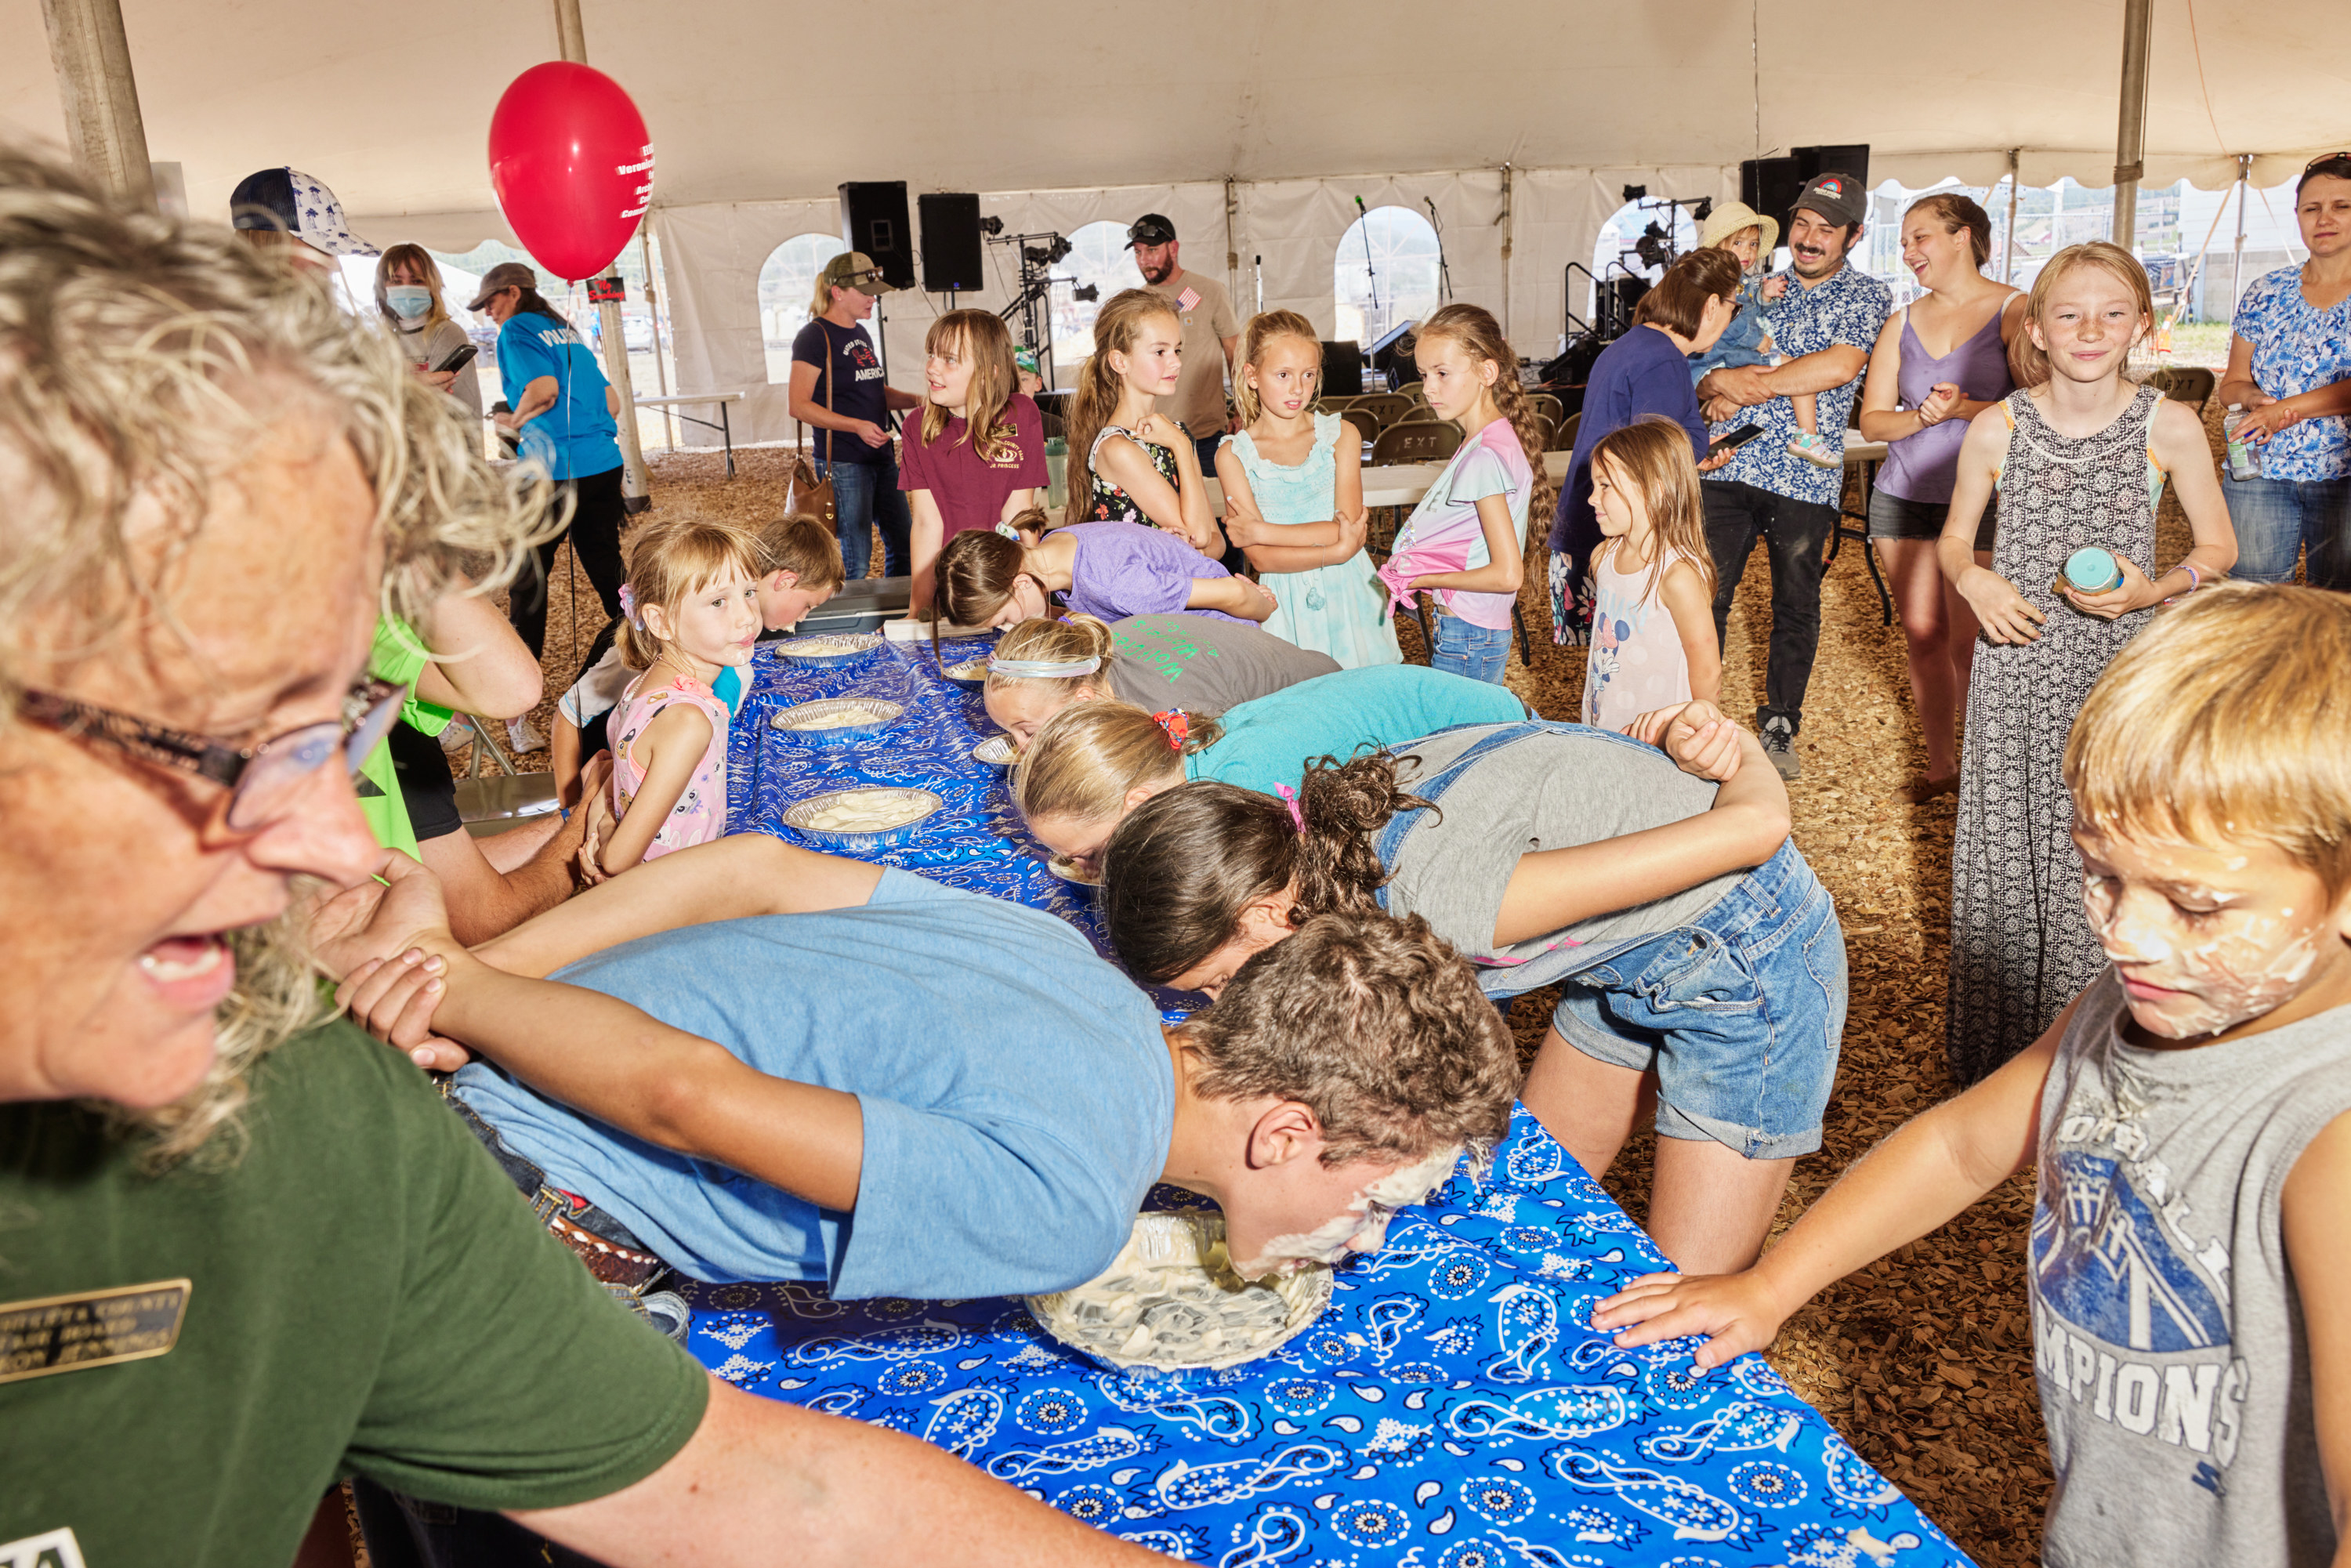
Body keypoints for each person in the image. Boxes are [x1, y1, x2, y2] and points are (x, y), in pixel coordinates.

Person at [0, 144, 1150, 1568]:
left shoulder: (291, 1107)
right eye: (229, 750)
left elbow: (748, 1493)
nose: (324, 845)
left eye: (335, 734)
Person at [1592, 585, 2351, 1568]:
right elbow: (1959, 1145)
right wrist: (1773, 1285)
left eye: (2197, 906)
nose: (2126, 934)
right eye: (2105, 875)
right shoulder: (2121, 1008)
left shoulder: (2328, 1141)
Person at [321, 838, 1520, 1298]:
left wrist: (473, 977)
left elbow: (751, 867)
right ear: (1288, 1135)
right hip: (498, 1198)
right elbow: (691, 1098)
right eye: (1378, 1199)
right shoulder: (1068, 1209)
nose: (1364, 1236)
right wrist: (458, 989)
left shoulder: (1071, 957)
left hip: (506, 1078)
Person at [1096, 701, 1835, 1273]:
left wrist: (1729, 742)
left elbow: (1758, 826)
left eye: (1220, 979)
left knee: (1684, 1299)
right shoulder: (1314, 849)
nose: (1226, 1005)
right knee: (1520, 1199)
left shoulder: (1443, 894)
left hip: (1750, 960)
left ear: (1262, 911)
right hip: (1625, 958)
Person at [1938, 240, 2235, 1085]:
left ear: (2143, 324)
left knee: (2103, 850)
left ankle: (2101, 1049)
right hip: (2015, 666)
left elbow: (2219, 545)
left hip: (2117, 678)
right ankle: (2000, 1064)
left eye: (2112, 312)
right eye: (2068, 313)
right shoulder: (1997, 426)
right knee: (2007, 847)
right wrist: (1975, 582)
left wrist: (2156, 591)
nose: (2090, 329)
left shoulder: (2167, 424)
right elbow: (1957, 541)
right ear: (2036, 326)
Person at [1697, 172, 1893, 778]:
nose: (1809, 239)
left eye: (1826, 230)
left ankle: (1781, 720)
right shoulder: (1751, 284)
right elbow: (1702, 357)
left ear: (1853, 237)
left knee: (1795, 604)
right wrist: (1712, 383)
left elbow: (1838, 367)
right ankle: (1696, 715)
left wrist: (1744, 386)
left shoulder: (1868, 297)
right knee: (1706, 596)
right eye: (1802, 225)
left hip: (1804, 478)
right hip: (1727, 464)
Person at [1009, 664, 1528, 878]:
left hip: (1496, 748)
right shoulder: (1192, 765)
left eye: (1095, 856)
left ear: (1139, 803)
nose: (1094, 870)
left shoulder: (1243, 786)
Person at [1855, 193, 2027, 804]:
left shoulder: (2014, 309)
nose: (1908, 252)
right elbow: (1874, 422)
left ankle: (1988, 772)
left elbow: (2038, 406)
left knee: (1968, 639)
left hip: (1978, 501)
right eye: (1904, 242)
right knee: (1922, 631)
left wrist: (1963, 408)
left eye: (1920, 237)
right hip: (1901, 495)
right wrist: (1922, 419)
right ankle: (1941, 768)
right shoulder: (1900, 322)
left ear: (1963, 238)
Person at [552, 513, 841, 809]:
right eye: (807, 605)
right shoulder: (655, 641)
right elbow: (568, 714)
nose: (804, 618)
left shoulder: (731, 643)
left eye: (749, 593)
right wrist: (570, 808)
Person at [1547, 246, 1744, 644]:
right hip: (1616, 542)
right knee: (1632, 666)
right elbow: (1651, 463)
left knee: (1609, 670)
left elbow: (1642, 447)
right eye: (1733, 309)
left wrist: (1694, 456)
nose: (1730, 319)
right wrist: (1691, 453)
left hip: (1588, 527)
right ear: (1710, 306)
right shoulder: (1665, 362)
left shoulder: (1634, 345)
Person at [469, 259, 628, 748]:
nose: (490, 313)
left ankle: (518, 716)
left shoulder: (516, 330)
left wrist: (512, 424)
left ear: (513, 294)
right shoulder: (567, 330)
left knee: (529, 583)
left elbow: (543, 390)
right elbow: (613, 401)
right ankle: (650, 663)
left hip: (554, 471)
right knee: (609, 573)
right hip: (603, 462)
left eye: (491, 302)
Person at [1378, 304, 1552, 684]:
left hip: (1468, 632)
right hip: (1476, 629)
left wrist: (1422, 577)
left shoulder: (1483, 457)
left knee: (1460, 739)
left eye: (1442, 373)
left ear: (1486, 372)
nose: (1428, 388)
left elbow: (1507, 574)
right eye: (1424, 374)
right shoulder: (1495, 439)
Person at [1218, 310, 1400, 668]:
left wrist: (1263, 531)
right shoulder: (1233, 455)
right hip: (1283, 602)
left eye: (1308, 374)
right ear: (1252, 376)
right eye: (1283, 375)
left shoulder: (1341, 435)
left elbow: (1344, 527)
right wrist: (1336, 551)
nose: (1298, 388)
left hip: (1350, 593)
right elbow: (1262, 558)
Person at [2215, 151, 2351, 592]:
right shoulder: (2266, 291)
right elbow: (2231, 383)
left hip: (2343, 474)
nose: (2324, 218)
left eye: (2341, 206)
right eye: (2312, 208)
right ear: (2298, 216)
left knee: (2339, 605)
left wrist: (2285, 411)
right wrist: (2253, 400)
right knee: (2250, 601)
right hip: (2259, 472)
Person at [601, 519, 763, 874]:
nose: (747, 617)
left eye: (749, 593)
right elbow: (616, 861)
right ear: (661, 622)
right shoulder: (687, 722)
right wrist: (604, 834)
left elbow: (605, 773)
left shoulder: (641, 686)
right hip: (675, 896)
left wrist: (602, 822)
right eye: (719, 601)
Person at [981, 612, 1339, 748]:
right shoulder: (1092, 647)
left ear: (1084, 701)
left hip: (1331, 710)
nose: (1021, 748)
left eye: (1027, 731)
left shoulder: (1166, 713)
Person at [1581, 418, 1722, 732]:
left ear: (1653, 488)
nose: (1592, 498)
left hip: (1661, 736)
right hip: (1605, 722)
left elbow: (1707, 670)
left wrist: (1702, 733)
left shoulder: (1678, 576)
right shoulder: (1603, 558)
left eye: (1605, 486)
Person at [789, 251, 924, 580]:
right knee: (857, 559)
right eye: (865, 293)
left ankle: (895, 616)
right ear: (838, 292)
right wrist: (857, 426)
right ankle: (852, 627)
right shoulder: (813, 337)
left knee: (905, 544)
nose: (873, 299)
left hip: (880, 457)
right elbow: (798, 404)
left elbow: (874, 391)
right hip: (845, 463)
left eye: (874, 292)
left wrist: (919, 400)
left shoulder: (860, 334)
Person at [901, 310, 1046, 612]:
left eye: (949, 359)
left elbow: (1020, 512)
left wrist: (1035, 593)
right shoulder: (917, 426)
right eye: (931, 355)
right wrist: (917, 610)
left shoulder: (1022, 413)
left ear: (990, 370)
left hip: (1006, 587)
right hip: (952, 593)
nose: (931, 368)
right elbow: (928, 523)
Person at [1063, 288, 1223, 552]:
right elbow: (1200, 536)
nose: (1176, 363)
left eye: (1177, 350)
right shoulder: (1118, 449)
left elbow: (1216, 544)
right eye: (1160, 352)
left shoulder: (1175, 433)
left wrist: (1197, 544)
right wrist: (1181, 448)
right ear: (1120, 362)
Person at [934, 510, 1273, 630]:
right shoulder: (1056, 547)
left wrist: (1265, 605)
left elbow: (1234, 593)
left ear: (1021, 582)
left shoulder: (1116, 585)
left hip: (1227, 642)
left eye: (1003, 620)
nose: (1010, 628)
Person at [1685, 202, 1831, 465]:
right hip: (1733, 352)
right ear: (1717, 245)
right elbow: (1731, 321)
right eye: (1738, 243)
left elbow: (1751, 308)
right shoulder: (1722, 281)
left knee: (1798, 371)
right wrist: (1759, 340)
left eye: (1753, 244)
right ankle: (1808, 437)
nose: (1748, 251)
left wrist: (1765, 296)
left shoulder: (1738, 279)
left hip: (1728, 355)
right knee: (1802, 372)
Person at [1127, 212, 1241, 474]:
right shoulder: (1139, 304)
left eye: (1152, 250)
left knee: (1215, 512)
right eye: (1138, 253)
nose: (1144, 261)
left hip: (1206, 436)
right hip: (1154, 436)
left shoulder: (1209, 291)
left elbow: (1235, 352)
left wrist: (1242, 410)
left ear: (1174, 248)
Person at [375, 242, 483, 424]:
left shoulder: (447, 333)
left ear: (432, 286)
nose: (406, 288)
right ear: (383, 286)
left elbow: (455, 408)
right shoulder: (382, 340)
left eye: (416, 281)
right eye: (396, 281)